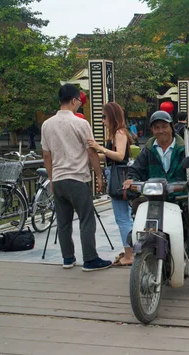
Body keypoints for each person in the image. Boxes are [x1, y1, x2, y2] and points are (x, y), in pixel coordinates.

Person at [124, 111, 189, 286]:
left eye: (164, 126)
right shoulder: (148, 151)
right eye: (156, 127)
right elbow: (135, 170)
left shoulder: (186, 149)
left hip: (182, 198)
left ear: (172, 127)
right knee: (137, 208)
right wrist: (130, 180)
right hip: (155, 199)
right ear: (152, 130)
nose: (161, 131)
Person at [41, 83, 112, 271]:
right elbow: (91, 152)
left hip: (58, 179)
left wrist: (51, 178)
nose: (79, 105)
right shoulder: (81, 123)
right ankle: (90, 259)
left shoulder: (46, 125)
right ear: (73, 100)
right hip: (78, 179)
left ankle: (67, 258)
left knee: (63, 222)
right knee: (86, 219)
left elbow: (46, 155)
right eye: (79, 102)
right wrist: (99, 176)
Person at [87, 102, 134, 267]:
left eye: (104, 117)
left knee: (122, 218)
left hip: (119, 178)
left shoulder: (119, 133)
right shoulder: (116, 133)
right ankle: (132, 251)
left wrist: (99, 147)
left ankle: (129, 254)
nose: (102, 121)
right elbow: (110, 157)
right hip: (118, 175)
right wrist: (92, 155)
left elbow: (120, 156)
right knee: (125, 217)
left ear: (112, 117)